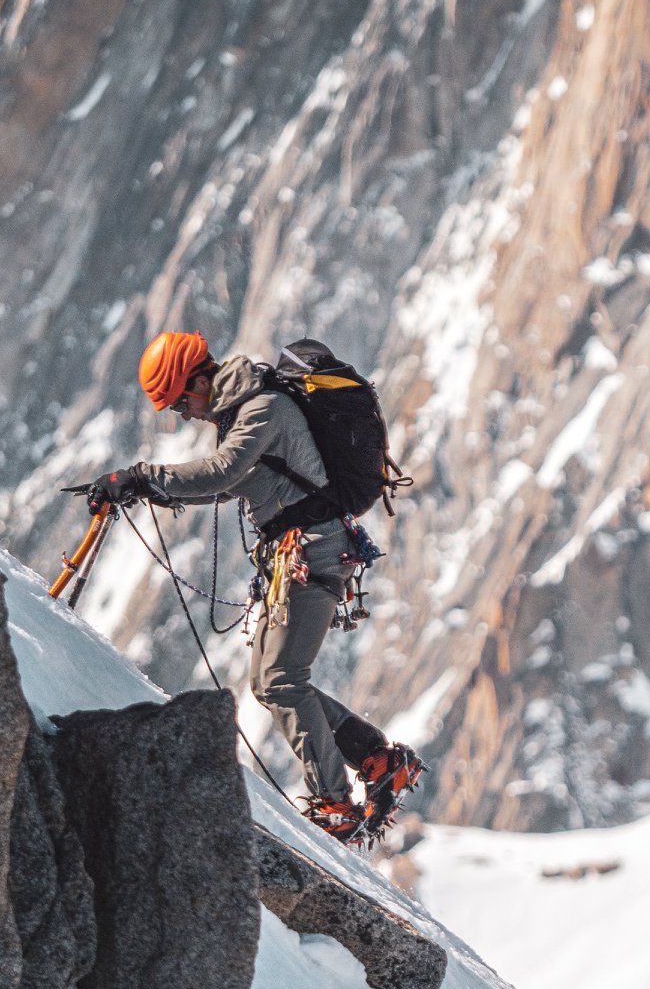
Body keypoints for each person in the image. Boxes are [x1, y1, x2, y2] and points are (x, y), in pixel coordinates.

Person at [78, 329, 421, 842]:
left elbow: (223, 472)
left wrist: (142, 476)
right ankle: (375, 760)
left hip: (312, 550)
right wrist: (143, 488)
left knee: (281, 679)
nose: (185, 414)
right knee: (271, 681)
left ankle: (335, 804)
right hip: (304, 552)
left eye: (180, 402)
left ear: (199, 378)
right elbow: (234, 479)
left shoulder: (263, 407)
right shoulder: (244, 414)